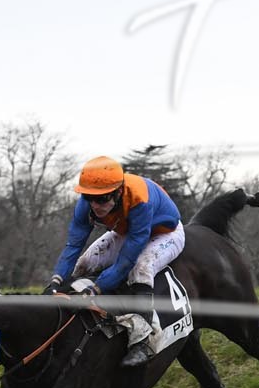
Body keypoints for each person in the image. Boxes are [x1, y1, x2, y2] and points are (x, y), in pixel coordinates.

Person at [43, 156, 185, 366]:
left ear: (118, 192)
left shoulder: (139, 199)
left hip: (166, 233)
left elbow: (125, 262)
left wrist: (95, 290)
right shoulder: (85, 205)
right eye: (89, 197)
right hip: (128, 230)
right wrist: (55, 282)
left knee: (140, 268)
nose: (95, 205)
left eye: (102, 199)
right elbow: (73, 246)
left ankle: (144, 341)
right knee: (83, 264)